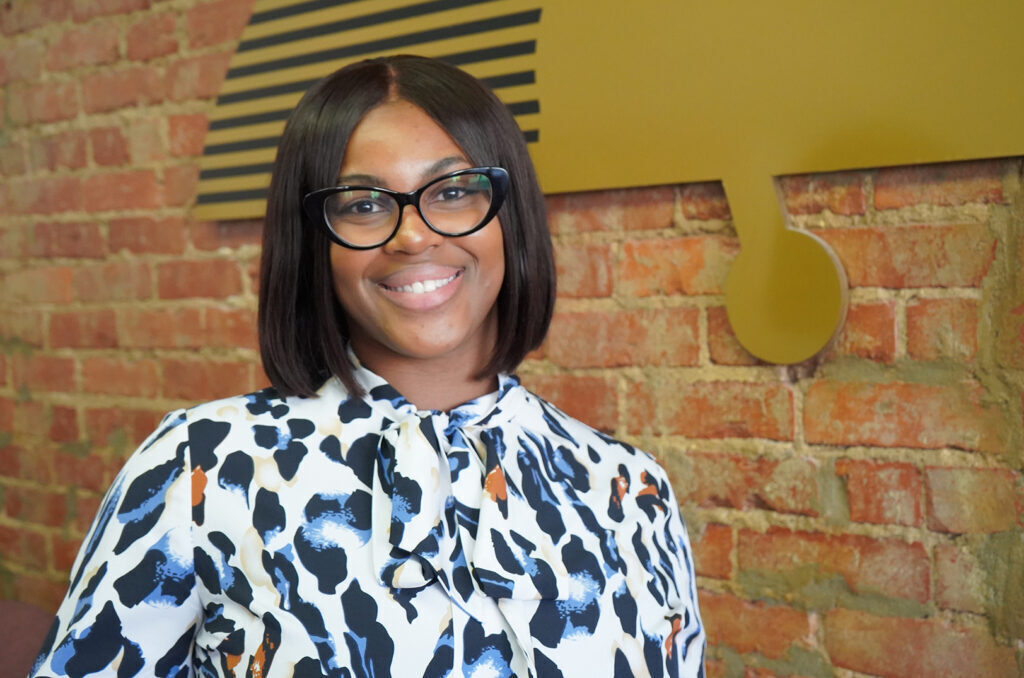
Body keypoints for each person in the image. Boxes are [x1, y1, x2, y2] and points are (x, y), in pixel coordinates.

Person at [31, 55, 705, 677]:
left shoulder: (630, 489)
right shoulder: (200, 468)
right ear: (313, 240)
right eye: (363, 205)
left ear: (510, 214)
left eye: (453, 191)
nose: (413, 235)